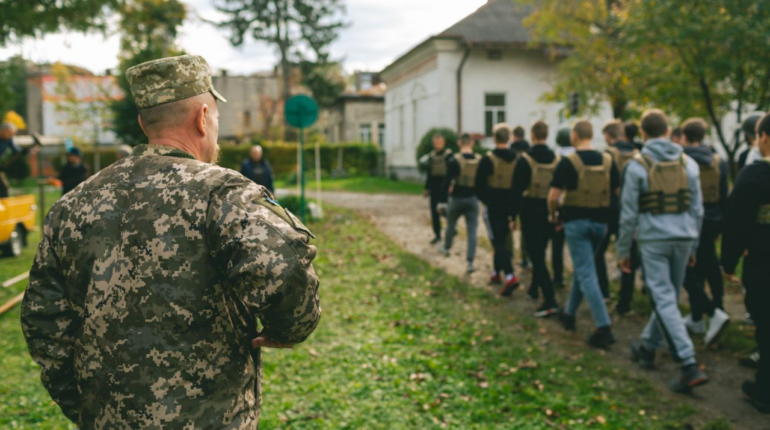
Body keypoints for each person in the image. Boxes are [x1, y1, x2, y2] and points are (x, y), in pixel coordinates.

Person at [21, 55, 321, 428]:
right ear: (202, 117)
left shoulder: (70, 206)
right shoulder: (222, 194)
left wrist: (84, 406)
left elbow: (42, 322)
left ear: (143, 123)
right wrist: (286, 329)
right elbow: (286, 268)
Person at [618, 109, 708, 394]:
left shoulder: (637, 166)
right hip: (684, 239)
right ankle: (647, 346)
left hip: (654, 241)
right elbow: (698, 210)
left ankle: (688, 363)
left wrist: (623, 250)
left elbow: (628, 215)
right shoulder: (689, 163)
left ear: (643, 133)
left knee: (664, 297)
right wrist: (694, 244)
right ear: (669, 131)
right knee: (666, 295)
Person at [549, 120, 619, 349]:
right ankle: (569, 313)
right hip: (601, 224)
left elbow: (552, 196)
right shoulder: (608, 161)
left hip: (576, 223)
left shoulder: (567, 162)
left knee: (587, 273)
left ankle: (603, 327)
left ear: (575, 136)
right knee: (583, 268)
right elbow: (616, 192)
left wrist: (555, 215)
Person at [722, 112, 770, 414]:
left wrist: (728, 263)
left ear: (763, 136)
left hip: (764, 262)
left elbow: (736, 223)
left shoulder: (754, 175)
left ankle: (765, 392)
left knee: (766, 326)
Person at [677, 118, 730, 345]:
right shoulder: (719, 161)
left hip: (690, 219)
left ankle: (702, 314)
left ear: (684, 137)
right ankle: (715, 307)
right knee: (710, 263)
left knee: (691, 267)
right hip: (714, 220)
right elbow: (724, 194)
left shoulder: (681, 160)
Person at [511, 120, 559, 317]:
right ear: (547, 135)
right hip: (550, 210)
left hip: (530, 210)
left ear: (532, 135)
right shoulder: (557, 159)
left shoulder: (525, 160)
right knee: (541, 250)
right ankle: (533, 288)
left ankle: (549, 299)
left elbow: (516, 190)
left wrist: (512, 215)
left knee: (535, 255)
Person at [596, 119, 640, 308]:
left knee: (598, 252)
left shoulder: (607, 154)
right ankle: (625, 300)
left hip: (610, 210)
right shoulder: (638, 154)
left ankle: (604, 291)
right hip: (631, 209)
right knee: (628, 254)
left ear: (608, 135)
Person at [476, 123, 521, 294]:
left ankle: (510, 275)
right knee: (501, 237)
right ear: (509, 138)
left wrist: (486, 199)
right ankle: (496, 272)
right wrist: (514, 210)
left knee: (497, 240)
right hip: (510, 205)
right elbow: (519, 185)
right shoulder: (517, 160)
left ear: (494, 138)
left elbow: (478, 186)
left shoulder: (487, 160)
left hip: (493, 206)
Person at [440, 133, 480, 273]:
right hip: (473, 199)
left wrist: (442, 201)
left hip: (457, 198)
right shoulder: (479, 160)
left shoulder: (454, 160)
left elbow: (446, 182)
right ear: (472, 143)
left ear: (459, 143)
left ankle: (446, 248)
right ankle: (470, 262)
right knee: (472, 231)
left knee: (451, 224)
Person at [550, 124, 573, 289]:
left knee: (557, 246)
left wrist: (554, 214)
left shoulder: (556, 159)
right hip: (578, 208)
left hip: (561, 208)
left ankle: (558, 277)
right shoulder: (580, 157)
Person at [424, 134, 452, 244]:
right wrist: (426, 188)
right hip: (434, 188)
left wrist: (451, 185)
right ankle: (437, 235)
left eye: (439, 142)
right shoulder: (431, 156)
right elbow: (429, 174)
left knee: (446, 211)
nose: (437, 145)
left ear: (443, 143)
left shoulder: (449, 155)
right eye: (435, 143)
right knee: (434, 213)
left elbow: (452, 172)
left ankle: (451, 229)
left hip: (445, 188)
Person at [0, 122, 25, 198]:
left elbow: (17, 151)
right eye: (10, 133)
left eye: (12, 134)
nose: (11, 135)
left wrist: (26, 150)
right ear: (2, 131)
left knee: (4, 187)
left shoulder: (9, 140)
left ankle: (4, 207)